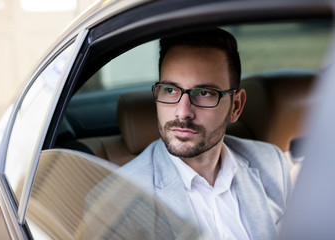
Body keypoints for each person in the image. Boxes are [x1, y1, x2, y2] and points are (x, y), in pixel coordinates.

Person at [120, 28, 292, 240]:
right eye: (170, 90)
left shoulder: (270, 163)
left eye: (204, 93)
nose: (183, 113)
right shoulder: (122, 199)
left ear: (236, 106)